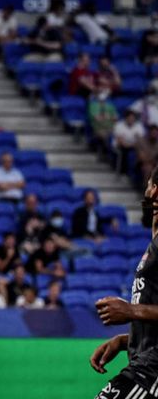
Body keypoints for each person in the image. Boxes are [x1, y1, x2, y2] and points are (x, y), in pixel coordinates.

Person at [92, 166, 158, 397]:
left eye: (149, 185)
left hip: (150, 373)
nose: (146, 191)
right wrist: (126, 341)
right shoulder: (154, 245)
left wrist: (131, 310)